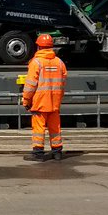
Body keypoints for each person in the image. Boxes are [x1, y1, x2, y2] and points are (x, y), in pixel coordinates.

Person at [22, 33, 67, 161]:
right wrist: (58, 99)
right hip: (54, 103)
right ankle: (57, 152)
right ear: (51, 46)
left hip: (40, 102)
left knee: (38, 129)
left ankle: (38, 153)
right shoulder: (59, 63)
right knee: (55, 128)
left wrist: (26, 100)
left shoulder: (36, 63)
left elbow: (30, 85)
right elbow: (62, 84)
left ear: (38, 47)